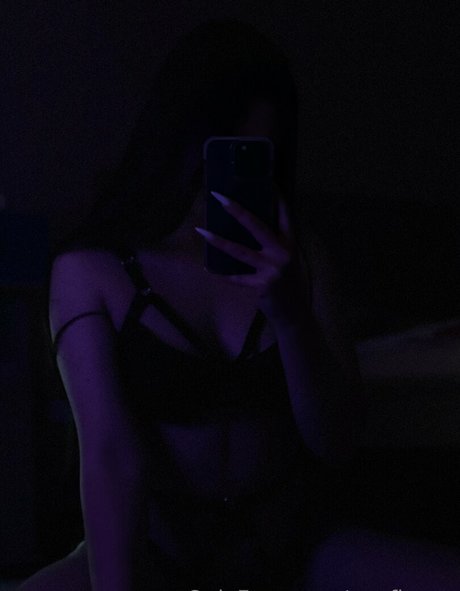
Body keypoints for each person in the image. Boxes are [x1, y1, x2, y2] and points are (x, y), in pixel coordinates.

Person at [18, 17, 460, 591]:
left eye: (253, 154)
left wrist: (291, 316)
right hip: (156, 549)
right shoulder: (93, 269)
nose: (221, 177)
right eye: (218, 149)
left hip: (293, 546)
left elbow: (335, 442)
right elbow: (109, 457)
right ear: (174, 138)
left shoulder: (299, 257)